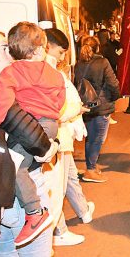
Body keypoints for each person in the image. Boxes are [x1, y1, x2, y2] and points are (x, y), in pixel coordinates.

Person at [0, 22, 64, 246]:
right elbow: (59, 99)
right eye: (3, 47)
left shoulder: (10, 75)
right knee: (17, 165)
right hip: (48, 124)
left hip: (1, 192)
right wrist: (49, 145)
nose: (9, 51)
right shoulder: (52, 72)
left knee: (8, 249)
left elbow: (6, 111)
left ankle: (34, 211)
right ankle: (35, 212)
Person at [44, 28, 95, 246]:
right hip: (55, 136)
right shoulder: (46, 72)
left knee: (69, 177)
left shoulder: (51, 70)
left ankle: (83, 211)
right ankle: (59, 231)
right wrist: (76, 109)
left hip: (60, 135)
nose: (64, 56)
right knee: (57, 186)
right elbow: (57, 110)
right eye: (61, 51)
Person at [75, 36, 120, 183]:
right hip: (101, 106)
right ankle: (91, 170)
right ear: (97, 47)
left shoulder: (79, 64)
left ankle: (91, 166)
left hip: (86, 105)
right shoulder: (103, 62)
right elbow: (113, 84)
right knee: (98, 138)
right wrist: (113, 98)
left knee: (91, 138)